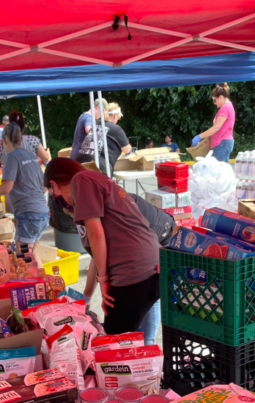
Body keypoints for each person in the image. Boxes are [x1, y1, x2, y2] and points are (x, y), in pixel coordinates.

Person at [44, 158, 160, 335]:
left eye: (52, 193)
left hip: (134, 270)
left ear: (54, 184)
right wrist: (89, 293)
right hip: (148, 266)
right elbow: (97, 253)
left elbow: (96, 234)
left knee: (114, 343)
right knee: (124, 337)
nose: (56, 199)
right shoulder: (94, 181)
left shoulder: (80, 180)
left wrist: (103, 280)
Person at [77, 192, 174, 345]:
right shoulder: (92, 211)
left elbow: (101, 256)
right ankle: (142, 343)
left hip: (159, 232)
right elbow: (97, 257)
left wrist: (93, 292)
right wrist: (87, 297)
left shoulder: (112, 213)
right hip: (142, 239)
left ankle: (148, 343)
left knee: (149, 283)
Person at [0, 123, 49, 268]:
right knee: (31, 255)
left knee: (23, 260)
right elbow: (45, 184)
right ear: (21, 139)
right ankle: (45, 286)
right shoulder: (31, 155)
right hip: (41, 212)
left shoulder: (12, 157)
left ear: (4, 140)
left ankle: (37, 287)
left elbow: (6, 187)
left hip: (29, 214)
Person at [75, 104, 132, 177]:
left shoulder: (95, 124)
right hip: (98, 167)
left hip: (80, 163)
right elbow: (127, 150)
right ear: (115, 115)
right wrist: (128, 146)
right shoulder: (115, 129)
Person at [191, 83, 236, 162]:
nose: (214, 103)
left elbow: (216, 127)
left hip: (222, 142)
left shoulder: (225, 108)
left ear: (220, 97)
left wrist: (199, 136)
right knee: (222, 171)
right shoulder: (228, 106)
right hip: (224, 142)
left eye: (215, 100)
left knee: (218, 171)